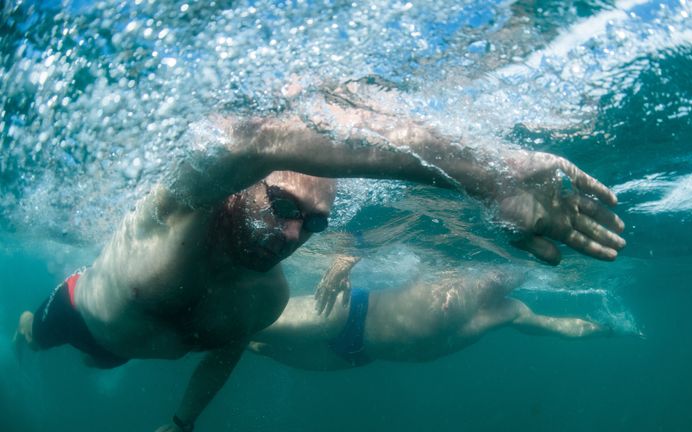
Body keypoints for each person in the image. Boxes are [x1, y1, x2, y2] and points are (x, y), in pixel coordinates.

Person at [13, 78, 625, 431]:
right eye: (282, 205)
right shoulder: (174, 217)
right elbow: (244, 139)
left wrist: (182, 422)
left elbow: (223, 353)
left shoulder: (267, 296)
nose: (292, 236)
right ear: (242, 185)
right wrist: (492, 177)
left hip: (131, 347)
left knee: (109, 370)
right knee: (30, 338)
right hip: (76, 317)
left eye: (314, 224)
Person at [250, 255, 612, 371]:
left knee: (250, 345)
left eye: (518, 272)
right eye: (503, 267)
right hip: (345, 313)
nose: (508, 275)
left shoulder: (510, 310)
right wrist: (344, 260)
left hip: (357, 357)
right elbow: (373, 232)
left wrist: (608, 329)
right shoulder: (445, 263)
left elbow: (554, 326)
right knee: (242, 327)